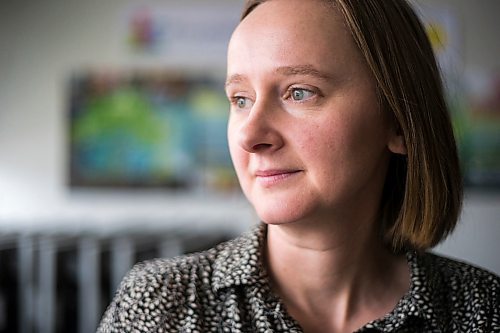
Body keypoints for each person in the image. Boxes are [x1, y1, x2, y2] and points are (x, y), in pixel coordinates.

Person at [97, 0, 500, 332]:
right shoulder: (162, 305)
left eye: (299, 92)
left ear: (398, 122)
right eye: (240, 99)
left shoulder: (482, 311)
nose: (249, 135)